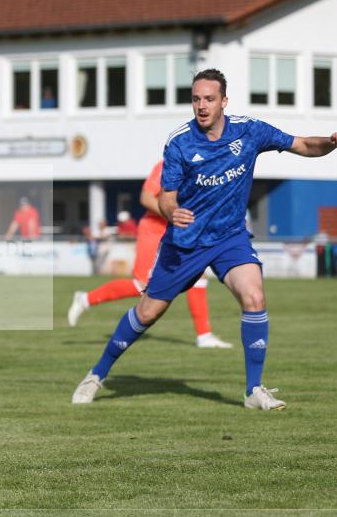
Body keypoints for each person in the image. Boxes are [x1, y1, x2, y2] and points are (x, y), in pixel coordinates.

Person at [72, 68, 336, 410]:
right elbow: (165, 196)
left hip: (230, 237)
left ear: (224, 101)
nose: (202, 105)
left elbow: (303, 144)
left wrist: (330, 144)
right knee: (148, 313)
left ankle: (253, 391)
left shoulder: (249, 131)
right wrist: (172, 212)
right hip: (186, 241)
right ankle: (97, 373)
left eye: (209, 98)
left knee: (254, 296)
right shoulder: (180, 141)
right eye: (196, 99)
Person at [67, 159, 232, 349]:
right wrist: (174, 215)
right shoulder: (168, 164)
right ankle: (85, 299)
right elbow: (146, 198)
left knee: (199, 276)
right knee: (143, 286)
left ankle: (204, 336)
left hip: (182, 230)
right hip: (155, 230)